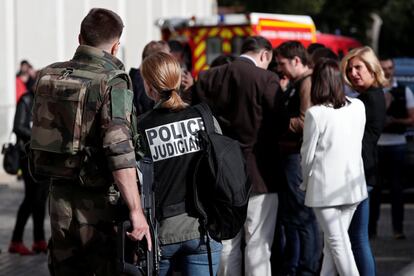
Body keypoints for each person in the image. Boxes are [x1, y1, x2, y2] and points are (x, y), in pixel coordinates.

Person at [32, 8, 151, 275]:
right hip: (98, 206)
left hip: (59, 199)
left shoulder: (49, 75)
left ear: (79, 38)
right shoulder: (112, 81)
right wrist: (136, 210)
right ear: (115, 46)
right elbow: (119, 149)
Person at [195, 36, 288, 276]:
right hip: (260, 169)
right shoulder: (266, 78)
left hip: (220, 170)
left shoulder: (208, 77)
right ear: (265, 54)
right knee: (258, 242)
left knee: (228, 241)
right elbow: (281, 123)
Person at [137, 51, 223, 276]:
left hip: (159, 234)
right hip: (204, 230)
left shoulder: (140, 128)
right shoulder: (204, 117)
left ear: (149, 87)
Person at [301, 58, 367, 276]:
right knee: (333, 245)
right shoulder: (358, 106)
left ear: (318, 83)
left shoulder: (315, 114)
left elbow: (307, 155)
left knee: (337, 244)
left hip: (325, 189)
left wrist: (305, 182)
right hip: (353, 187)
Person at [274, 41, 321, 276]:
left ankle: (308, 267)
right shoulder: (297, 83)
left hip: (296, 157)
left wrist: (277, 121)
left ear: (296, 60)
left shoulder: (307, 83)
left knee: (303, 215)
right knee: (294, 215)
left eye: (282, 63)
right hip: (291, 156)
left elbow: (306, 122)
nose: (280, 68)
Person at [341, 46, 387, 276]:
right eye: (350, 69)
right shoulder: (367, 96)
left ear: (372, 68)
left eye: (358, 67)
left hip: (360, 173)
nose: (353, 73)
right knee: (354, 238)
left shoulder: (367, 99)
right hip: (362, 172)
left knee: (357, 239)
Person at [371, 57, 414, 240]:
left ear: (393, 69)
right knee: (375, 190)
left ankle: (398, 229)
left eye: (389, 68)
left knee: (397, 190)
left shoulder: (404, 91)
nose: (387, 71)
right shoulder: (373, 91)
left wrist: (395, 121)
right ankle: (371, 229)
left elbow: (412, 118)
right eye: (383, 68)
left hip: (397, 144)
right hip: (378, 145)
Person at [8, 74, 49, 256]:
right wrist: (39, 136)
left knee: (40, 200)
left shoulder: (44, 101)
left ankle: (39, 240)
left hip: (42, 157)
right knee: (30, 199)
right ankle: (16, 241)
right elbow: (18, 127)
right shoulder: (26, 100)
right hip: (27, 157)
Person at [129, 40, 171, 115]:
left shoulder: (135, 77)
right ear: (155, 59)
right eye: (166, 57)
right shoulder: (142, 79)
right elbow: (146, 110)